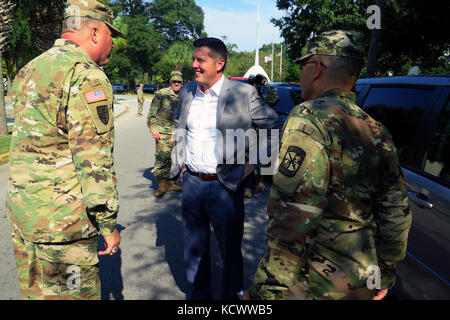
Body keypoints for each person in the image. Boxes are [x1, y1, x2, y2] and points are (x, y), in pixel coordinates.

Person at [245, 30, 412, 300]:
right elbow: (396, 211)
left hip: (314, 283)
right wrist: (387, 271)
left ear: (318, 68)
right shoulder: (376, 128)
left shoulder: (309, 117)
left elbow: (293, 214)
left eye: (304, 66)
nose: (301, 75)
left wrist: (266, 290)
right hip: (362, 282)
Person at [6, 0, 122, 300]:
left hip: (25, 217)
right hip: (63, 230)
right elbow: (93, 161)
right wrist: (107, 223)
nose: (112, 44)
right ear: (95, 32)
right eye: (111, 35)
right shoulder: (87, 75)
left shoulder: (31, 68)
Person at [170, 37, 283, 300]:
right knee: (194, 247)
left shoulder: (242, 94)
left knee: (230, 249)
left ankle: (233, 296)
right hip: (192, 184)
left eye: (201, 60)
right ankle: (199, 296)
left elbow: (273, 127)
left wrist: (253, 163)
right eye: (193, 59)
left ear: (219, 64)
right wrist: (180, 161)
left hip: (225, 185)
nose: (194, 65)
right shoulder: (187, 91)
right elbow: (180, 126)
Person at [147, 71, 184, 197]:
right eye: (174, 81)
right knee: (162, 159)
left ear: (182, 83)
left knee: (175, 160)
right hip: (163, 132)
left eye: (179, 82)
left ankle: (171, 183)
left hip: (178, 132)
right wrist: (154, 129)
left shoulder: (184, 95)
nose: (177, 84)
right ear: (170, 82)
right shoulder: (162, 94)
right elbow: (152, 113)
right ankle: (162, 185)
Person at [244, 74, 280, 198]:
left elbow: (274, 97)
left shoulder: (264, 99)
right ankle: (249, 186)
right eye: (252, 83)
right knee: (249, 160)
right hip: (251, 134)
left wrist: (266, 84)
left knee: (263, 160)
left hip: (264, 135)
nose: (254, 85)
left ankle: (260, 183)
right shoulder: (247, 98)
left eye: (256, 83)